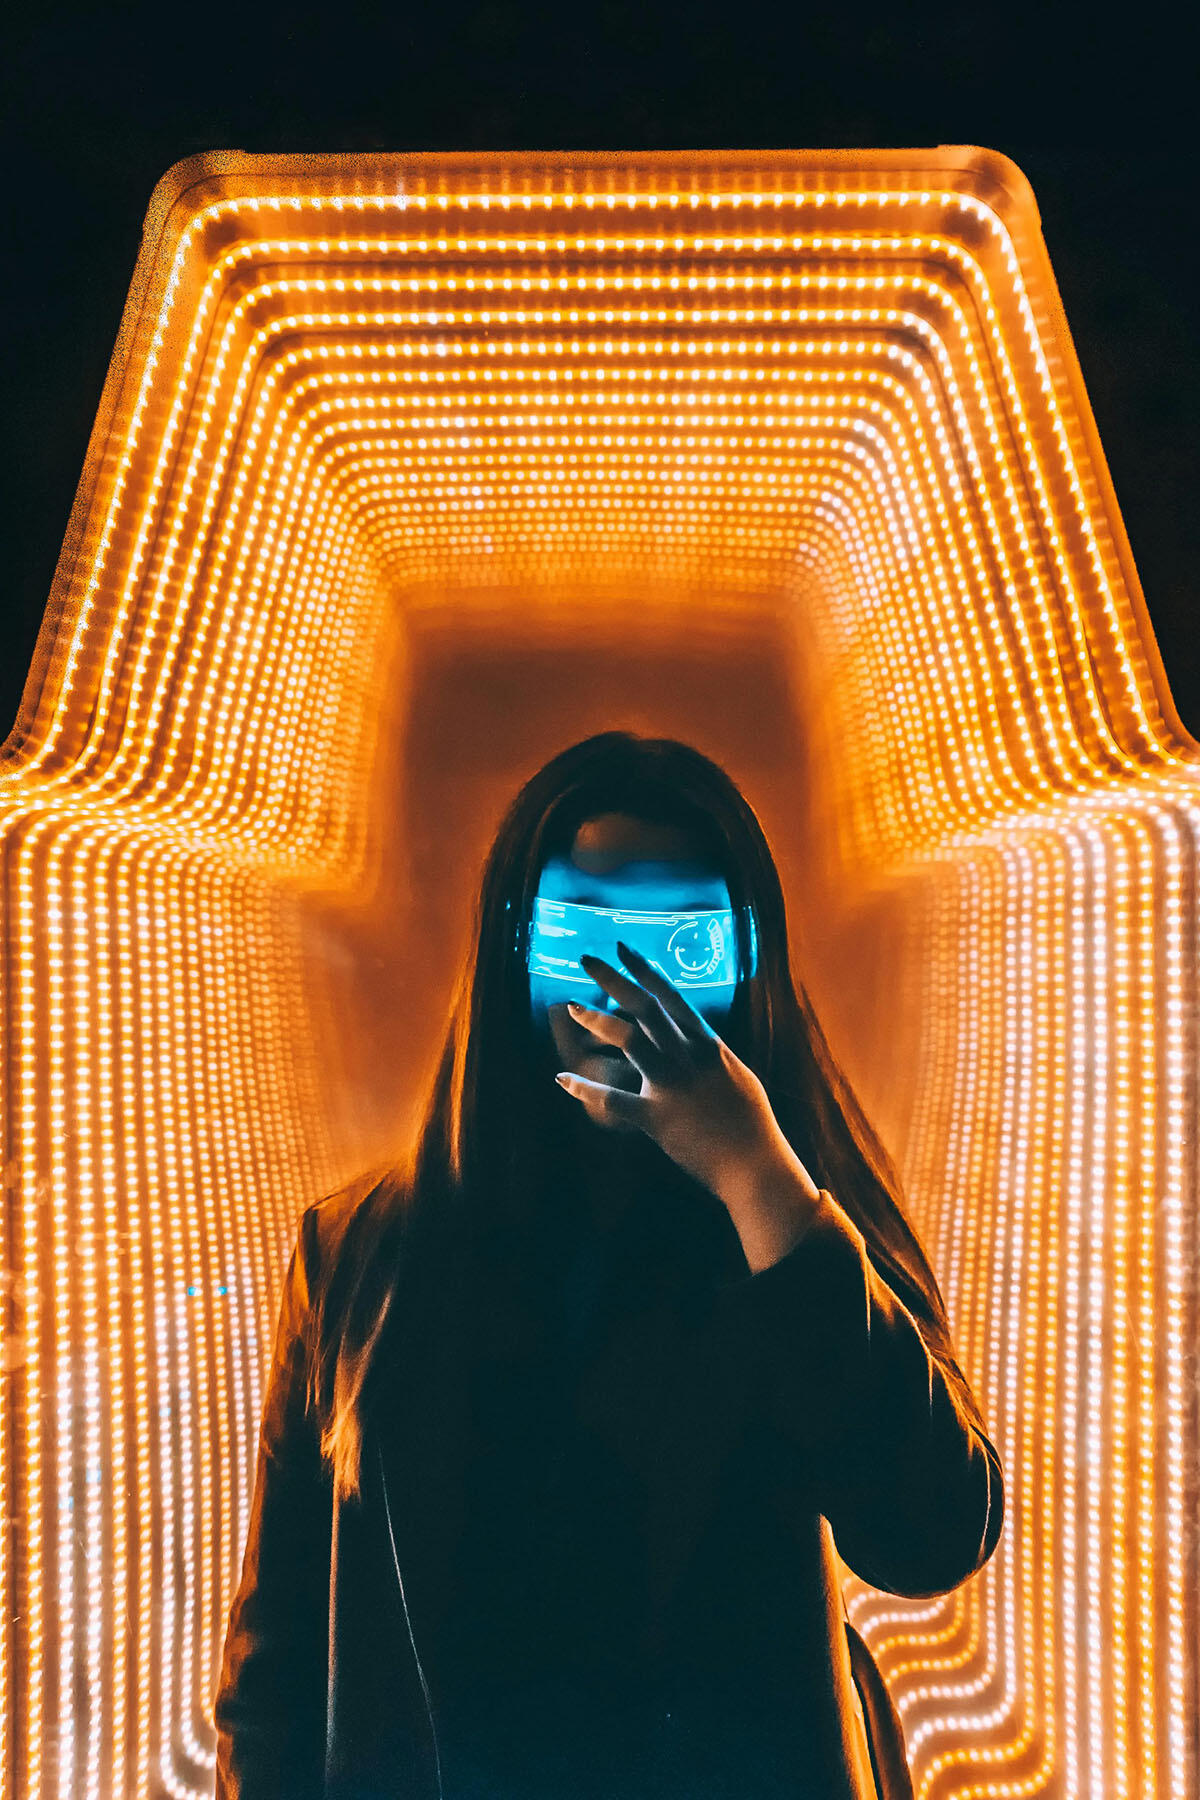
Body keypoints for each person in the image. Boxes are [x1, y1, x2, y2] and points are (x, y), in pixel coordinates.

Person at [213, 730, 1005, 1800]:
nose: (624, 991)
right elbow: (276, 1669)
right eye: (578, 936)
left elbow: (932, 1532)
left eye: (685, 948)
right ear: (510, 948)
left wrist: (759, 1183)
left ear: (750, 955)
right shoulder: (362, 1255)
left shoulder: (802, 1218)